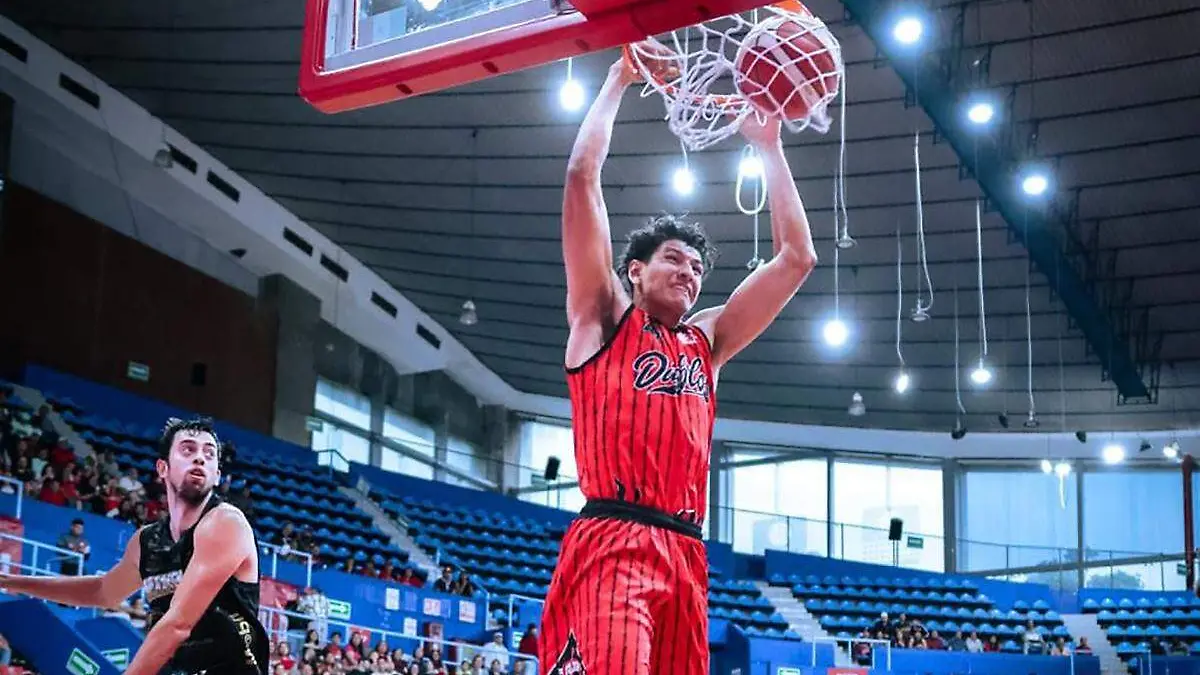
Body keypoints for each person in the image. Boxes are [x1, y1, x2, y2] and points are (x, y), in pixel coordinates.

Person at [538, 50, 817, 675]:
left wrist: (768, 145)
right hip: (614, 539)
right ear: (635, 271)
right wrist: (617, 79)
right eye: (674, 259)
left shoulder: (707, 342)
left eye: (697, 268)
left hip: (688, 553)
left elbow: (796, 258)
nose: (689, 273)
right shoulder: (603, 315)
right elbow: (582, 176)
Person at [0, 417, 269, 674]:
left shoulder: (225, 522)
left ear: (217, 475)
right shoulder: (147, 541)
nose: (200, 457)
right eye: (188, 450)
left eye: (209, 454)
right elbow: (103, 591)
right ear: (162, 468)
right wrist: (11, 581)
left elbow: (178, 624)